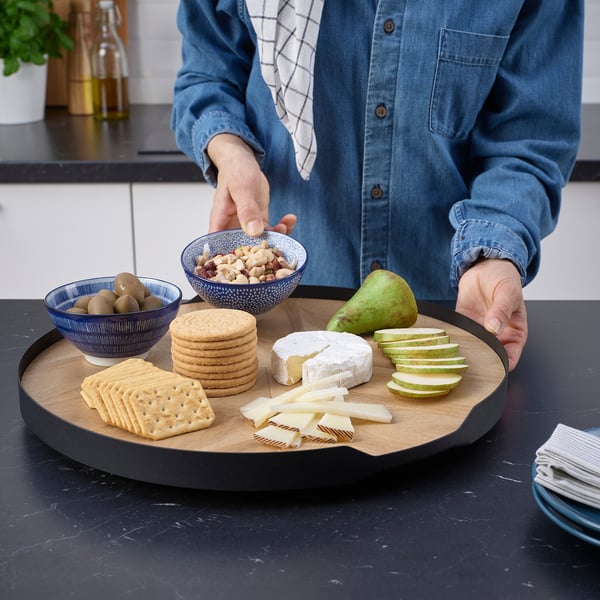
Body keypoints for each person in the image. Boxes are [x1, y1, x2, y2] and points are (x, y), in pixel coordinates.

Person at [171, 1, 584, 372]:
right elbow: (208, 73)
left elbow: (529, 140)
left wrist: (496, 254)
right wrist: (230, 152)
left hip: (448, 318)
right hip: (283, 320)